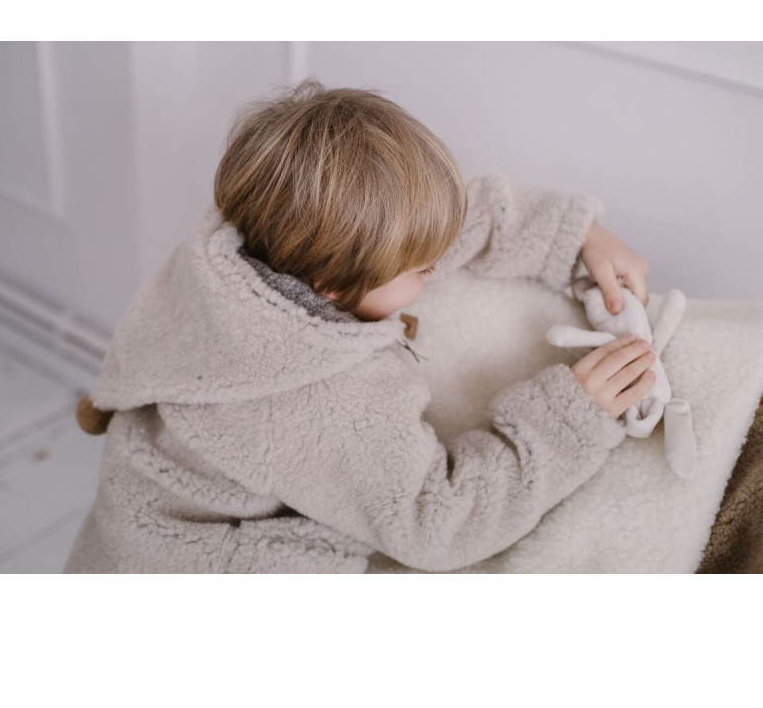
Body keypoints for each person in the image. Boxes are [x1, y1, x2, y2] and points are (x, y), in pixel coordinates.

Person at [64, 78, 653, 574]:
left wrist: (573, 232)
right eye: (421, 270)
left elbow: (430, 220)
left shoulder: (242, 235)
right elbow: (435, 527)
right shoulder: (319, 400)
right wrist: (567, 419)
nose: (436, 269)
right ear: (334, 286)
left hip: (139, 506)